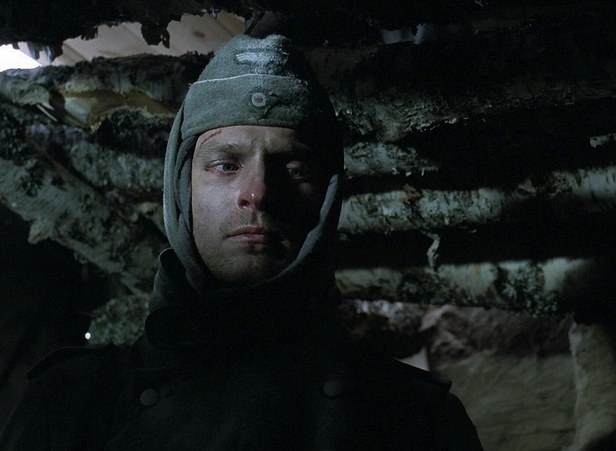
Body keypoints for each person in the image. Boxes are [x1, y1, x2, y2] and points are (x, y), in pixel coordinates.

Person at [0, 34, 482, 450]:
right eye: (226, 165)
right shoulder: (72, 404)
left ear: (328, 197)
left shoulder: (412, 419)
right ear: (181, 190)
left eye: (295, 169)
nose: (258, 193)